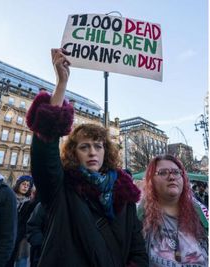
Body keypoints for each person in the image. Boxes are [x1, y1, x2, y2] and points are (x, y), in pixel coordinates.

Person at [25, 48, 148, 266]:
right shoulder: (61, 188)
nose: (92, 152)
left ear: (106, 151)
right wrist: (61, 83)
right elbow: (45, 147)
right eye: (84, 147)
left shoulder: (124, 193)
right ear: (73, 152)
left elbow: (137, 249)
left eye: (98, 146)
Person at [139, 154, 208, 266]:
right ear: (151, 181)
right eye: (163, 172)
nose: (171, 177)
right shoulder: (139, 216)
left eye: (176, 172)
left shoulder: (200, 213)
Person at [6, 175, 37, 267]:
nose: (25, 187)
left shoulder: (29, 203)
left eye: (28, 185)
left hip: (17, 237)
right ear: (18, 184)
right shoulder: (9, 197)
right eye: (23, 184)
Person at [26, 202, 47, 267]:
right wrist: (43, 245)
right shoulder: (45, 204)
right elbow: (32, 228)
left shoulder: (76, 205)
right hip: (42, 256)